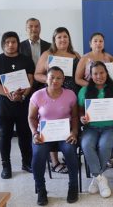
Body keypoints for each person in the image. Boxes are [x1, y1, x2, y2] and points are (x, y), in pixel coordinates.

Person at [28, 67, 79, 205]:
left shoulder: (70, 94)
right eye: (52, 77)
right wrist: (35, 133)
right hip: (43, 135)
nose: (55, 81)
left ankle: (73, 186)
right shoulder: (37, 95)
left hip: (65, 134)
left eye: (58, 78)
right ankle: (41, 189)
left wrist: (74, 132)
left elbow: (75, 116)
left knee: (69, 151)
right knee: (38, 154)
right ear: (46, 78)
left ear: (63, 80)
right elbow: (31, 118)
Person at [0, 31, 34, 179]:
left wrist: (23, 95)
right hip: (4, 107)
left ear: (18, 44)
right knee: (5, 136)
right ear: (3, 44)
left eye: (13, 42)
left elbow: (30, 80)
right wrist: (8, 94)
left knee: (25, 136)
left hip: (23, 104)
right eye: (7, 42)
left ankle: (26, 163)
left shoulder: (26, 60)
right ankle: (6, 166)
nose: (11, 45)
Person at [34, 27, 81, 174]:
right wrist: (51, 80)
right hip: (52, 94)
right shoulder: (48, 54)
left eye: (65, 37)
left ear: (69, 39)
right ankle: (55, 161)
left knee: (72, 122)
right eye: (59, 37)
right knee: (51, 123)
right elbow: (37, 74)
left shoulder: (75, 55)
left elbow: (79, 75)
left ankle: (70, 155)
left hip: (72, 94)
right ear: (54, 39)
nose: (62, 40)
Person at [77, 61, 113, 198]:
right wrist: (82, 117)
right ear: (91, 76)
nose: (99, 76)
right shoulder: (84, 90)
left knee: (104, 146)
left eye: (102, 73)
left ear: (106, 73)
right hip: (91, 128)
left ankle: (95, 178)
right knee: (86, 144)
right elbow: (80, 110)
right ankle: (100, 179)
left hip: (111, 127)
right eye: (95, 73)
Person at [19, 18, 51, 91]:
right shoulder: (19, 47)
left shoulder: (50, 46)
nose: (34, 29)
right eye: (30, 26)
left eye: (37, 26)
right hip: (25, 86)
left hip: (45, 84)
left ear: (40, 28)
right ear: (26, 29)